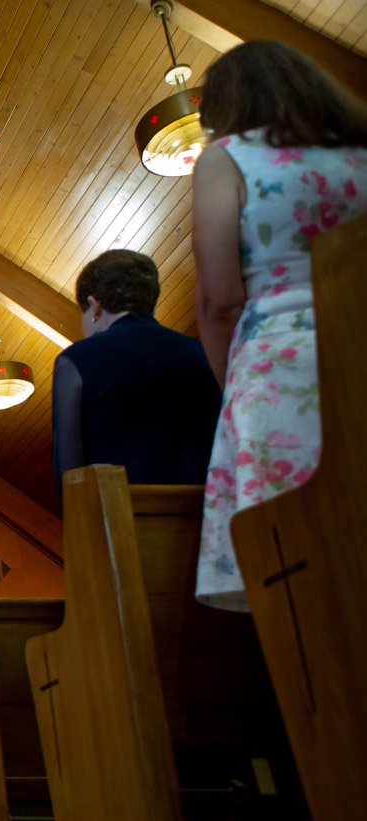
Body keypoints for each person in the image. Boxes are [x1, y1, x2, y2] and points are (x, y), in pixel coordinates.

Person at [190, 40, 367, 610]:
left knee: (301, 577)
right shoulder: (360, 154)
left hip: (282, 364)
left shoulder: (228, 157)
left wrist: (230, 391)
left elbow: (220, 299)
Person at [50, 250, 221, 493]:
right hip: (205, 518)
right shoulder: (201, 353)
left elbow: (68, 475)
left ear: (94, 305)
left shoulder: (76, 359)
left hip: (119, 520)